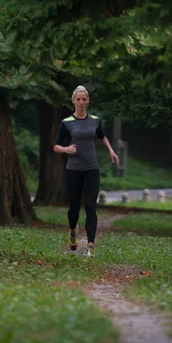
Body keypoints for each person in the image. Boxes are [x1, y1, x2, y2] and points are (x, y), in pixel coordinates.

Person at [53, 86, 119, 258]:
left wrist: (111, 150)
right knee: (74, 206)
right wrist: (66, 149)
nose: (81, 102)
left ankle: (90, 246)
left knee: (90, 206)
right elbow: (56, 146)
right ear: (73, 101)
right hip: (73, 170)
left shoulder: (95, 120)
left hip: (91, 168)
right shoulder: (66, 122)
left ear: (88, 101)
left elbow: (102, 136)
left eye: (84, 99)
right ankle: (72, 232)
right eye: (78, 99)